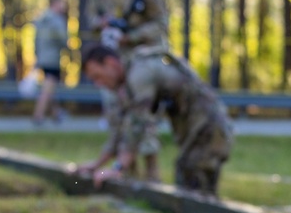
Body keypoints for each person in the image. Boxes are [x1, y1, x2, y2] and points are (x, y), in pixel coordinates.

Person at [80, 44, 234, 196]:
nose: (98, 84)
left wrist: (117, 168)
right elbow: (122, 129)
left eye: (97, 77)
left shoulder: (140, 73)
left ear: (110, 63)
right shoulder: (129, 81)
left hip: (208, 125)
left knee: (194, 178)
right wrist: (97, 166)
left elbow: (137, 124)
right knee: (189, 178)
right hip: (196, 125)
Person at [80, 0, 169, 183]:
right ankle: (125, 175)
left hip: (138, 62)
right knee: (117, 118)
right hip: (111, 63)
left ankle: (151, 179)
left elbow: (160, 23)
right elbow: (91, 18)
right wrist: (102, 24)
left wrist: (131, 35)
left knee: (141, 120)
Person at [31, 0, 69, 126]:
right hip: (52, 57)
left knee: (50, 86)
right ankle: (38, 115)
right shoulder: (57, 20)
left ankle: (56, 113)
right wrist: (67, 47)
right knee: (48, 87)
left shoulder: (41, 19)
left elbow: (35, 39)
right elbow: (62, 38)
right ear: (55, 4)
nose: (63, 7)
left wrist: (37, 55)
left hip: (42, 56)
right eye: (61, 3)